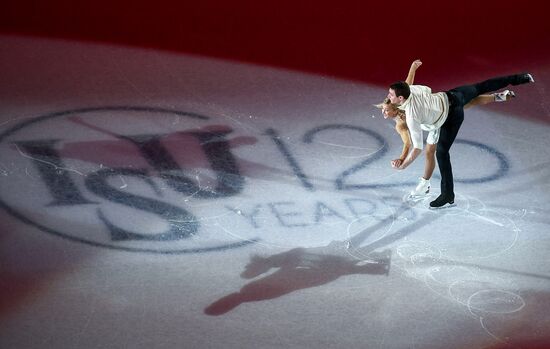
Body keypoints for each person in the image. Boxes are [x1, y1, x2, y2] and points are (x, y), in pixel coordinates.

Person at [387, 60, 534, 208]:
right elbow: (407, 84)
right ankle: (520, 78)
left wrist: (403, 166)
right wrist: (413, 68)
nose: (388, 96)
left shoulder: (412, 116)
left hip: (450, 117)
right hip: (452, 96)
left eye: (391, 94)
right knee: (480, 87)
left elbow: (417, 148)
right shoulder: (410, 91)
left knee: (442, 153)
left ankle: (447, 194)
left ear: (401, 98)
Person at [376, 91, 514, 197]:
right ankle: (498, 97)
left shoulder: (407, 110)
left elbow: (408, 84)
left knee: (430, 151)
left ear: (395, 109)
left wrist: (413, 68)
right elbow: (407, 143)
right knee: (467, 104)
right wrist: (401, 158)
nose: (383, 111)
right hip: (432, 123)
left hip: (435, 117)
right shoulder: (400, 125)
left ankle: (424, 185)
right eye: (383, 108)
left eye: (386, 109)